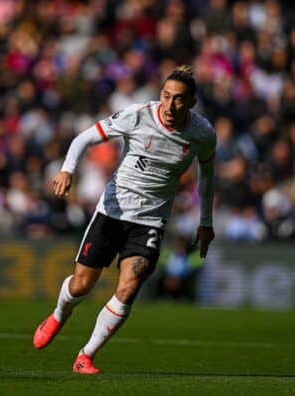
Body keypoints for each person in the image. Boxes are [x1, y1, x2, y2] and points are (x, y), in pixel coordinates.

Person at [33, 65, 216, 374]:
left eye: (179, 99)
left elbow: (207, 179)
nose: (170, 106)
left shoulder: (202, 134)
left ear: (192, 103)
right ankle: (59, 314)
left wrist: (206, 221)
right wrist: (67, 169)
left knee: (130, 285)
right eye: (166, 96)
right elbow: (85, 138)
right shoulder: (138, 115)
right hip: (112, 212)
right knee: (81, 285)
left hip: (151, 221)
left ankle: (86, 355)